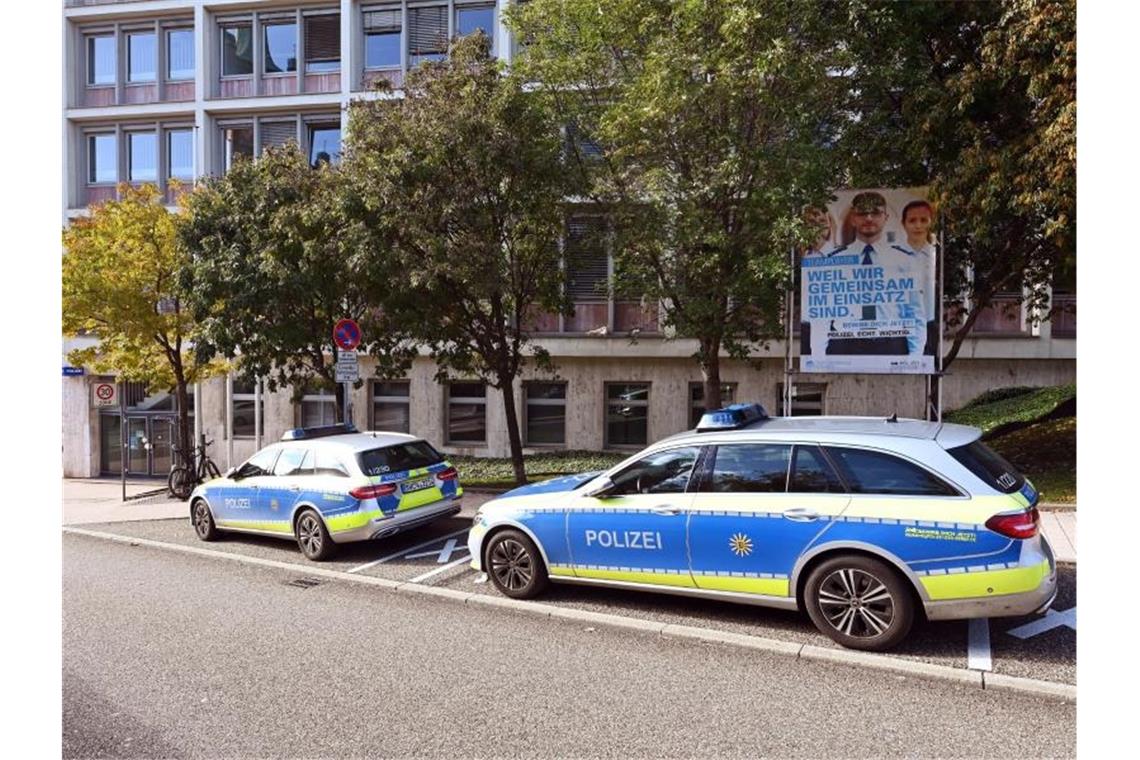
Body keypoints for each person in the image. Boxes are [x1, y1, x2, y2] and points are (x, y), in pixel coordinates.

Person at [821, 191, 923, 356]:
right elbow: (824, 313)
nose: (868, 218)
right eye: (862, 213)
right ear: (853, 218)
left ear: (886, 218)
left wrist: (916, 355)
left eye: (875, 212)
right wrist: (819, 355)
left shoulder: (904, 260)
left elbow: (915, 311)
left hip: (890, 342)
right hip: (845, 342)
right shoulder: (836, 260)